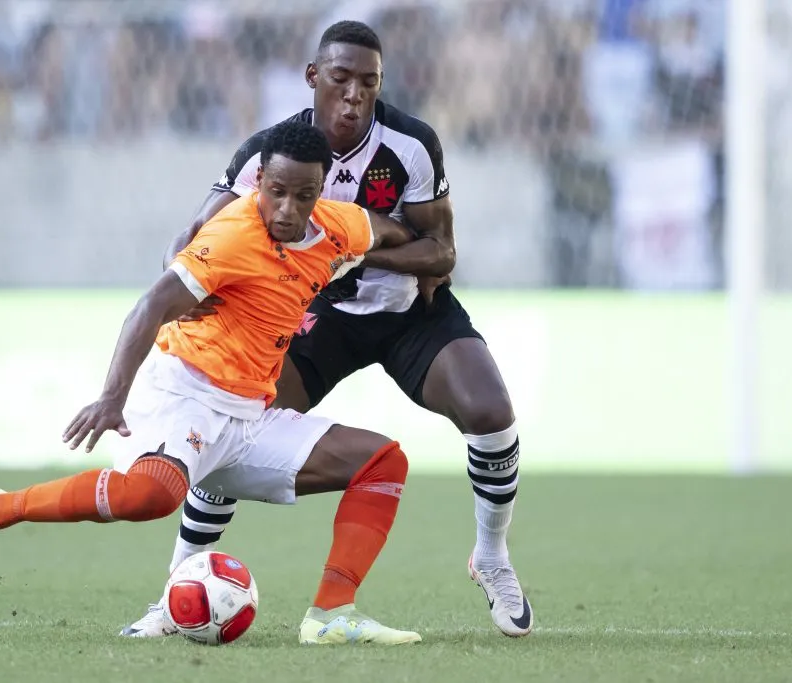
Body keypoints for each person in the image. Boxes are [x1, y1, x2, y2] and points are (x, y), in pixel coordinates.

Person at [0, 121, 423, 646]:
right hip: (184, 392)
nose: (288, 209)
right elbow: (151, 305)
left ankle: (331, 614)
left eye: (305, 196)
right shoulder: (232, 236)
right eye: (277, 193)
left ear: (323, 188)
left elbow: (388, 230)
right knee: (150, 497)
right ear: (259, 180)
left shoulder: (339, 227)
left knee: (382, 461)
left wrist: (419, 261)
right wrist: (113, 396)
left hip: (248, 415)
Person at [126, 20, 531, 639]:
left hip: (408, 312)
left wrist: (350, 251)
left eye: (369, 84)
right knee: (237, 420)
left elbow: (441, 252)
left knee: (491, 410)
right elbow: (193, 237)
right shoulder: (273, 151)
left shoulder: (411, 147)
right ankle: (173, 592)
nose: (354, 96)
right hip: (314, 318)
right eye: (341, 79)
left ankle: (492, 558)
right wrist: (181, 284)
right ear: (314, 77)